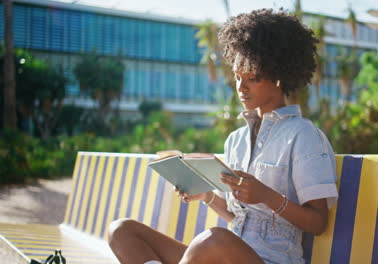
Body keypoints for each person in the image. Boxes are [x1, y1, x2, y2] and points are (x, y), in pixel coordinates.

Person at [107, 8, 338, 264]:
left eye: (252, 77)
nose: (241, 87)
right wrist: (206, 196)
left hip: (271, 259)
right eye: (237, 77)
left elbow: (318, 223)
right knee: (122, 230)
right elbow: (238, 217)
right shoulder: (236, 140)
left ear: (279, 76)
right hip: (226, 254)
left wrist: (267, 196)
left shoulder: (303, 135)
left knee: (213, 239)